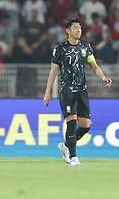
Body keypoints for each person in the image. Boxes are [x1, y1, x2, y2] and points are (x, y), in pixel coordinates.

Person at [43, 18, 113, 166]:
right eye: (75, 27)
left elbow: (94, 66)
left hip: (82, 91)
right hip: (67, 91)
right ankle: (74, 157)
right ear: (67, 30)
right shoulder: (60, 49)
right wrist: (48, 92)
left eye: (80, 28)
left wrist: (103, 77)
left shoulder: (86, 47)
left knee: (86, 126)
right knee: (71, 122)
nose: (79, 30)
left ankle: (66, 145)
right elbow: (53, 71)